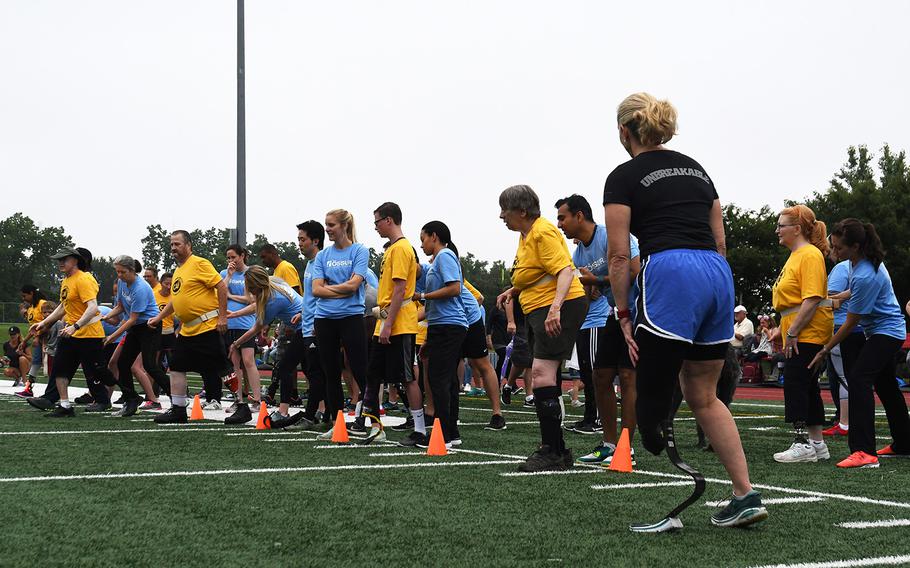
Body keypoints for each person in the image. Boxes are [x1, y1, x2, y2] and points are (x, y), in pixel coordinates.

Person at [604, 93, 765, 529]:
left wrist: (622, 312)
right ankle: (745, 493)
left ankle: (655, 429)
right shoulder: (697, 168)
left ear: (625, 131)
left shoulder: (623, 175)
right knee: (703, 394)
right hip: (716, 272)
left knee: (652, 394)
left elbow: (618, 255)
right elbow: (720, 240)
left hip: (671, 269)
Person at [496, 185, 588, 472]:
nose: (501, 216)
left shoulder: (541, 231)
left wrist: (556, 308)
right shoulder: (527, 235)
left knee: (541, 374)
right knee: (542, 375)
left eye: (505, 210)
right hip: (539, 307)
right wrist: (513, 289)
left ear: (522, 211)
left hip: (557, 306)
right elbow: (536, 271)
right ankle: (556, 448)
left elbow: (563, 270)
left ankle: (553, 450)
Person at [808, 219, 910, 467]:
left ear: (855, 246)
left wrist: (825, 349)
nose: (834, 252)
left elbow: (851, 323)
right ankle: (905, 444)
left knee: (858, 379)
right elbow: (855, 292)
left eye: (839, 248)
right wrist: (838, 297)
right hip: (883, 332)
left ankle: (864, 451)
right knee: (885, 386)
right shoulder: (859, 263)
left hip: (886, 333)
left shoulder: (866, 273)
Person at [555, 193, 641, 466]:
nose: (559, 224)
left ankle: (626, 448)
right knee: (600, 376)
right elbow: (580, 285)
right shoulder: (579, 252)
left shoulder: (610, 235)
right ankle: (608, 444)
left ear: (579, 215)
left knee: (627, 378)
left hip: (640, 313)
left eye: (562, 217)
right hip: (615, 314)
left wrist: (597, 280)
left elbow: (635, 271)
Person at [148, 230, 234, 424]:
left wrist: (222, 317)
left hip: (207, 326)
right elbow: (176, 300)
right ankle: (178, 409)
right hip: (188, 330)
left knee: (223, 367)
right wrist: (159, 317)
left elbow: (221, 287)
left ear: (188, 245)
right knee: (176, 366)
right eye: (171, 245)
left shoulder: (200, 263)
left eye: (177, 244)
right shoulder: (179, 270)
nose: (173, 248)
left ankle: (242, 404)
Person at [771, 204, 834, 464]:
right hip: (799, 328)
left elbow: (812, 298)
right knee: (807, 386)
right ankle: (817, 443)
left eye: (781, 225)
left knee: (796, 383)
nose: (777, 230)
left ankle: (801, 442)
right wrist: (782, 328)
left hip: (807, 331)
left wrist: (794, 331)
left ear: (797, 229)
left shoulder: (808, 255)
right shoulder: (798, 255)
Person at [360, 202, 424, 445]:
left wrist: (387, 325)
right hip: (386, 319)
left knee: (406, 377)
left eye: (376, 221)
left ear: (388, 220)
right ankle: (375, 426)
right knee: (373, 373)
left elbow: (399, 291)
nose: (375, 227)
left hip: (400, 323)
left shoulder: (401, 249)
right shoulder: (391, 249)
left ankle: (419, 429)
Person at [27, 247, 116, 416]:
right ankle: (65, 406)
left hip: (89, 333)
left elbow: (92, 307)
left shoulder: (84, 279)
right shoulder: (66, 280)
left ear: (75, 260)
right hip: (70, 333)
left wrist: (75, 326)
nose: (60, 263)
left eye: (64, 260)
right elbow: (63, 307)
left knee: (96, 371)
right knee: (60, 368)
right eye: (59, 260)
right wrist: (44, 323)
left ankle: (123, 395)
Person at [311, 209, 370, 440]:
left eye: (331, 225)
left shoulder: (359, 250)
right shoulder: (323, 256)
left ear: (344, 226)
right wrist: (340, 289)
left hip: (351, 318)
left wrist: (329, 290)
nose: (327, 229)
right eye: (326, 224)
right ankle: (337, 424)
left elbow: (354, 285)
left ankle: (368, 420)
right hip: (324, 319)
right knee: (330, 371)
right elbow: (316, 290)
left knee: (360, 368)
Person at [227, 265, 305, 427]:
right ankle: (320, 410)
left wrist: (236, 343)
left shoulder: (272, 300)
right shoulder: (274, 283)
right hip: (307, 325)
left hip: (306, 327)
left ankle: (283, 411)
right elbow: (257, 306)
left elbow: (256, 328)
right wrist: (235, 314)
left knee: (286, 368)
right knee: (312, 370)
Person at [419, 221, 468, 448]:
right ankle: (451, 433)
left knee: (438, 379)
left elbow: (454, 288)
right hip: (442, 325)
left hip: (450, 325)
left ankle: (443, 434)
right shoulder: (437, 261)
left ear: (434, 237)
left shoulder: (445, 255)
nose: (422, 244)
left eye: (423, 239)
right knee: (445, 379)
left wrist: (424, 296)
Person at [102, 256, 169, 417]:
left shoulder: (141, 288)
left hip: (149, 327)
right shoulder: (122, 284)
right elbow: (120, 306)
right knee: (122, 363)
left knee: (150, 365)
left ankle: (177, 397)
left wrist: (112, 336)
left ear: (132, 270)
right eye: (117, 271)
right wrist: (105, 316)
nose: (119, 275)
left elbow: (132, 318)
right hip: (136, 327)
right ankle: (131, 400)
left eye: (122, 272)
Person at [821, 247, 862, 436]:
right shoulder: (864, 267)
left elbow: (830, 301)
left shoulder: (841, 268)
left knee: (842, 377)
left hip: (841, 327)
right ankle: (850, 419)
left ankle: (845, 422)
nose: (831, 250)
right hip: (859, 328)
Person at [220, 244, 262, 415]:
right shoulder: (224, 273)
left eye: (233, 257)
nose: (231, 261)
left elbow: (252, 299)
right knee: (234, 364)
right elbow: (220, 293)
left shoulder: (250, 273)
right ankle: (238, 400)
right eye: (228, 258)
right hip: (230, 324)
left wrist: (231, 296)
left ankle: (258, 400)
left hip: (246, 323)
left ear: (242, 256)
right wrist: (228, 277)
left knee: (249, 361)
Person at [19, 284, 47, 383]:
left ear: (31, 293)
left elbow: (48, 322)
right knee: (36, 361)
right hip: (38, 339)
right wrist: (24, 342)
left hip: (47, 339)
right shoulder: (31, 308)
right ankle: (29, 386)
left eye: (24, 296)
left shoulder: (42, 303)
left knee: (49, 363)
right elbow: (33, 329)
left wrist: (38, 336)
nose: (23, 299)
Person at [154, 272, 176, 374]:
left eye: (171, 284)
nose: (169, 287)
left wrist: (178, 331)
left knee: (174, 364)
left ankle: (176, 388)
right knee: (154, 364)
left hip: (170, 333)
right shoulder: (154, 296)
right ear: (160, 283)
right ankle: (154, 389)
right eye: (166, 284)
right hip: (156, 333)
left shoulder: (175, 297)